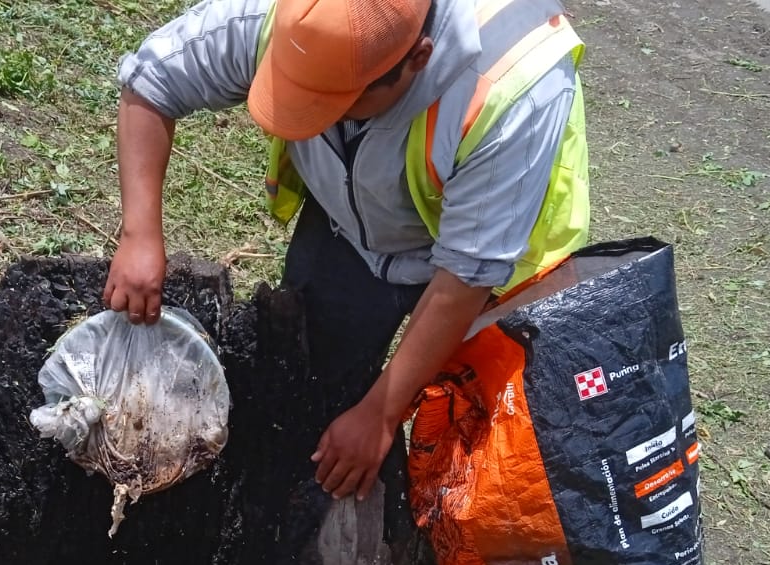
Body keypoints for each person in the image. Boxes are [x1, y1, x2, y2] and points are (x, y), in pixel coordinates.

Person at [104, 0, 590, 509]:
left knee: (479, 453)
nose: (307, 119)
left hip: (494, 264)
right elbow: (152, 80)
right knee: (311, 390)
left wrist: (381, 413)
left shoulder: (512, 85)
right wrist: (140, 235)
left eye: (334, 103)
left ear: (417, 59)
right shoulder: (289, 17)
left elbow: (466, 275)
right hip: (355, 231)